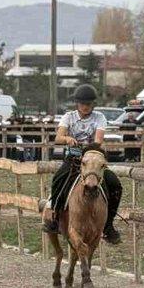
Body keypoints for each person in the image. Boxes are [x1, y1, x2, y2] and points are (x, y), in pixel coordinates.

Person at [42, 84, 123, 243]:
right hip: (73, 159)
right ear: (77, 104)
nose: (86, 107)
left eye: (89, 104)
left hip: (92, 161)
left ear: (93, 104)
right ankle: (55, 217)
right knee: (58, 179)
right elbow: (58, 137)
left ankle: (109, 224)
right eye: (82, 104)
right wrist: (67, 139)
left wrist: (90, 148)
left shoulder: (99, 117)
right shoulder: (68, 117)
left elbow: (98, 140)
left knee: (115, 184)